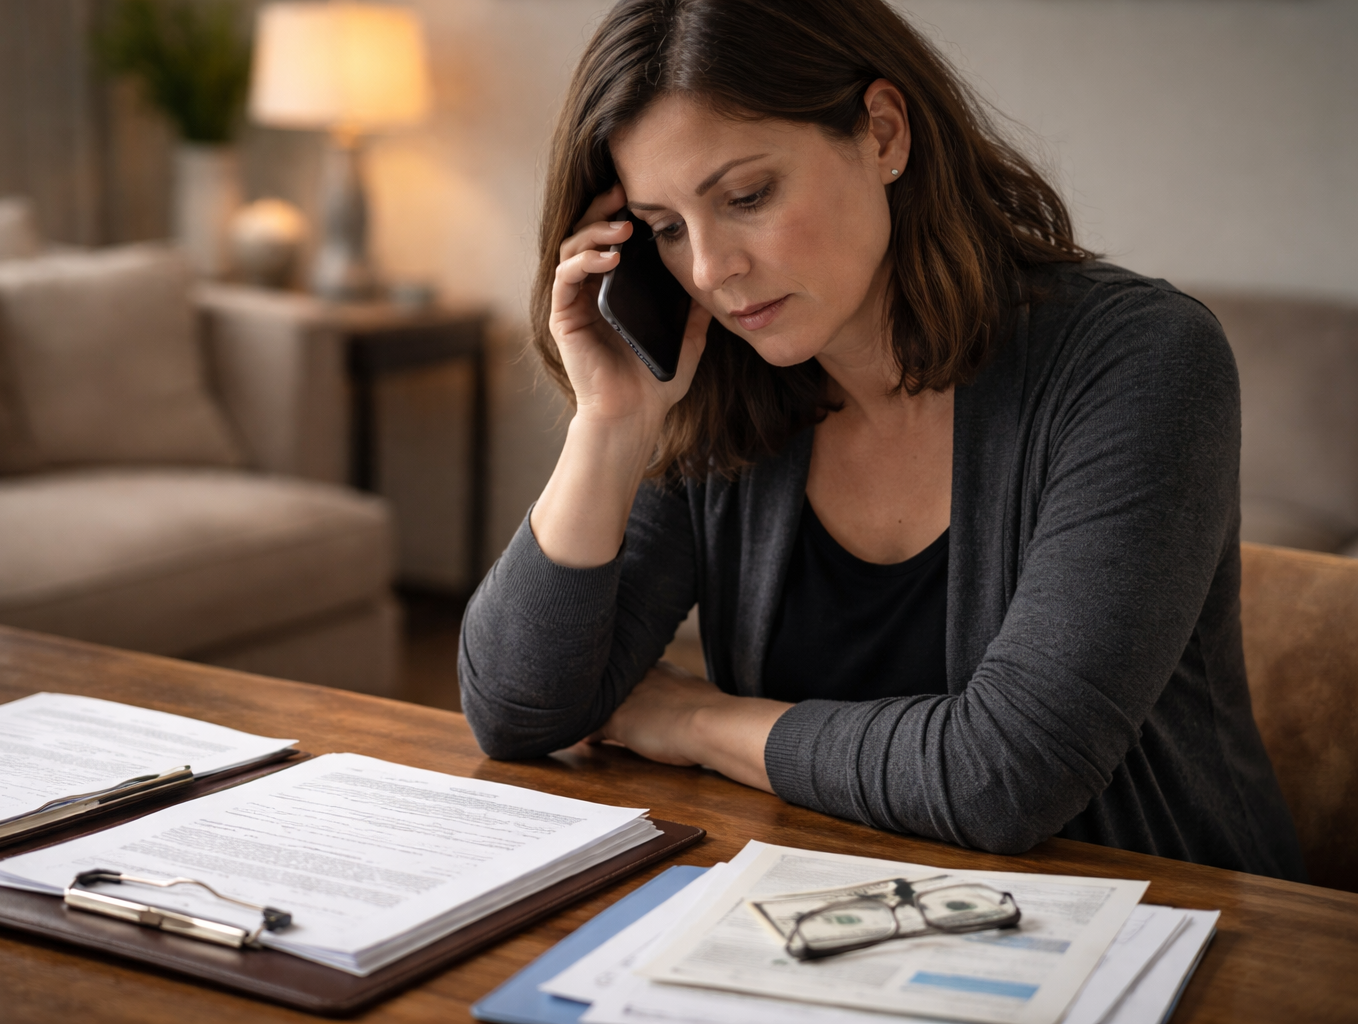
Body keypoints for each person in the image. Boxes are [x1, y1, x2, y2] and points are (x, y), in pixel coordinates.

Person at [458, 0, 1305, 880]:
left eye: (747, 197)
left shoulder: (1142, 360)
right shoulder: (724, 388)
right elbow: (520, 714)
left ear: (884, 133)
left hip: (1152, 925)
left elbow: (1004, 777)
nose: (709, 270)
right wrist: (612, 425)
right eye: (666, 229)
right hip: (828, 903)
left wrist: (694, 720)